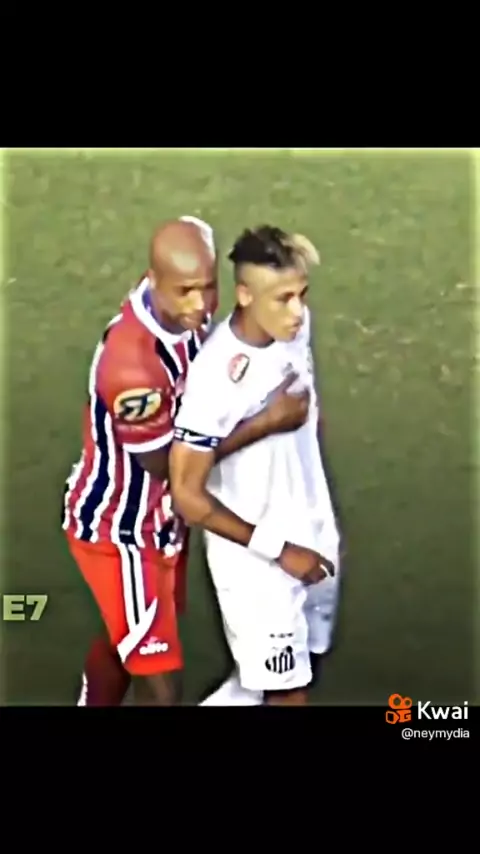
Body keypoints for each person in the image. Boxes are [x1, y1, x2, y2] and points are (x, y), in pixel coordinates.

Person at [62, 216, 310, 706]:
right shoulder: (132, 366)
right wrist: (264, 423)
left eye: (208, 287)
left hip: (164, 523)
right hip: (122, 531)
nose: (200, 305)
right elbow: (166, 468)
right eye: (184, 292)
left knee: (127, 636)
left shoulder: (181, 315)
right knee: (160, 681)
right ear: (153, 280)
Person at [170, 225, 342, 706]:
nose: (297, 311)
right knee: (288, 695)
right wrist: (280, 550)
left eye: (301, 295)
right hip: (258, 564)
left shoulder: (293, 329)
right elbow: (186, 495)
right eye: (282, 299)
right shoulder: (215, 376)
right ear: (245, 294)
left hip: (313, 531)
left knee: (299, 666)